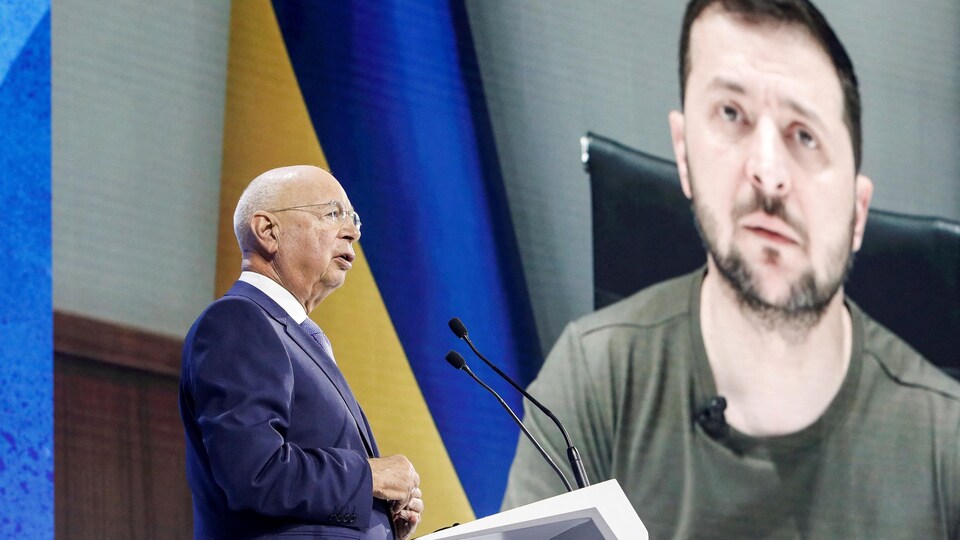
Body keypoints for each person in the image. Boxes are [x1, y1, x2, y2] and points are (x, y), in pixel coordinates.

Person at [502, 1, 960, 538]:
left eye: (804, 135)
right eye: (731, 114)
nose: (767, 171)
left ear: (858, 212)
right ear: (683, 153)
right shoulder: (592, 383)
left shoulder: (947, 447)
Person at [179, 165, 423, 539]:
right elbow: (256, 472)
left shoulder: (296, 338)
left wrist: (379, 519)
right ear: (267, 231)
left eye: (354, 218)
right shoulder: (238, 320)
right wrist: (371, 477)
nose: (354, 231)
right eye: (333, 213)